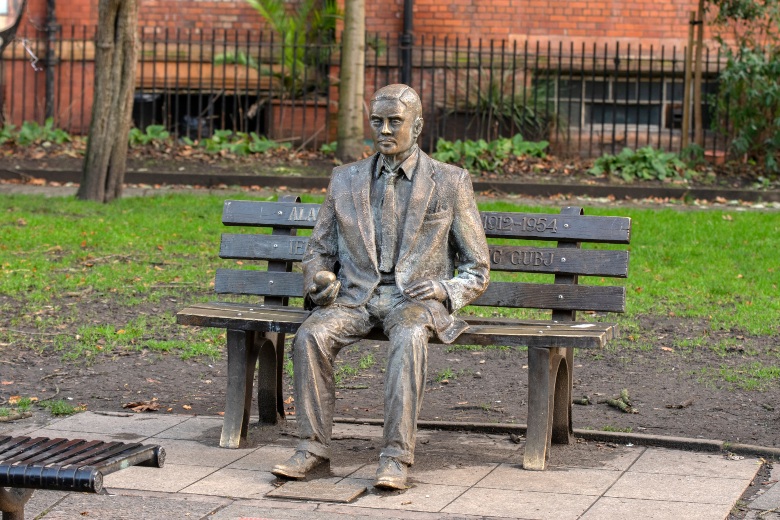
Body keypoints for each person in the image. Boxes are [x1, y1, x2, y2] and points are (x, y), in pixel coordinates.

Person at [271, 84, 490, 490]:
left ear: (418, 125)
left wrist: (444, 290)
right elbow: (318, 251)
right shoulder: (345, 180)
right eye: (377, 122)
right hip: (356, 297)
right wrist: (319, 283)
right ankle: (312, 450)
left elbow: (477, 269)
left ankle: (395, 457)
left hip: (414, 300)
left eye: (395, 122)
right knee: (311, 335)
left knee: (408, 336)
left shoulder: (450, 181)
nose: (384, 130)